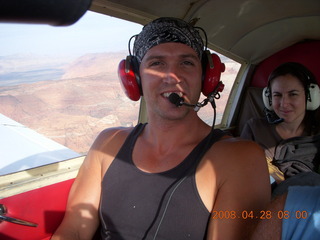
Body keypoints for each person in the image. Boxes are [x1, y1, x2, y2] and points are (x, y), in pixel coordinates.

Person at [51, 17, 270, 240]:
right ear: (134, 79)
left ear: (206, 77)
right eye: (157, 63)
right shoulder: (107, 143)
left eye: (186, 63)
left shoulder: (240, 158)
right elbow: (75, 230)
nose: (173, 77)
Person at [241, 62, 320, 184]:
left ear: (310, 96)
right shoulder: (254, 128)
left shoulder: (317, 136)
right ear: (269, 99)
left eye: (293, 94)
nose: (284, 104)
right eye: (277, 95)